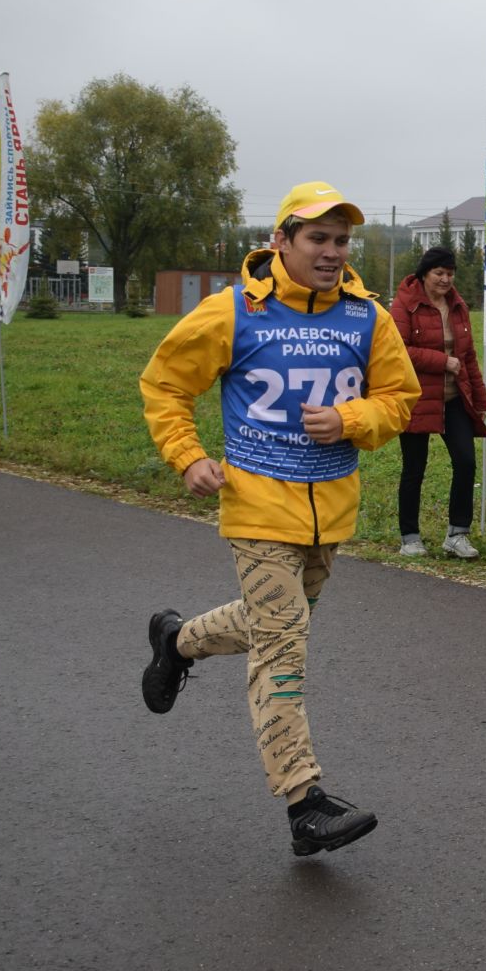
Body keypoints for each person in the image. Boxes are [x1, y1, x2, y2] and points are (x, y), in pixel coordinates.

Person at [138, 181, 419, 856]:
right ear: (280, 242)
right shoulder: (234, 312)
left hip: (330, 512)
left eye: (341, 240)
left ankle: (176, 642)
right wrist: (187, 457)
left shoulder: (366, 317)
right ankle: (304, 801)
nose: (331, 252)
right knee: (283, 643)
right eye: (317, 239)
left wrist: (350, 419)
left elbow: (400, 397)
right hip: (259, 508)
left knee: (273, 624)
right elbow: (166, 382)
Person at [390, 246, 486, 558]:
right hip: (416, 396)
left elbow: (468, 356)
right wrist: (442, 361)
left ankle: (458, 535)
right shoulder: (405, 304)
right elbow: (398, 349)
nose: (446, 279)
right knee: (414, 468)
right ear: (424, 274)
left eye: (450, 273)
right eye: (439, 273)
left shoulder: (457, 305)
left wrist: (481, 398)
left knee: (466, 462)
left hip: (454, 398)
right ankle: (410, 537)